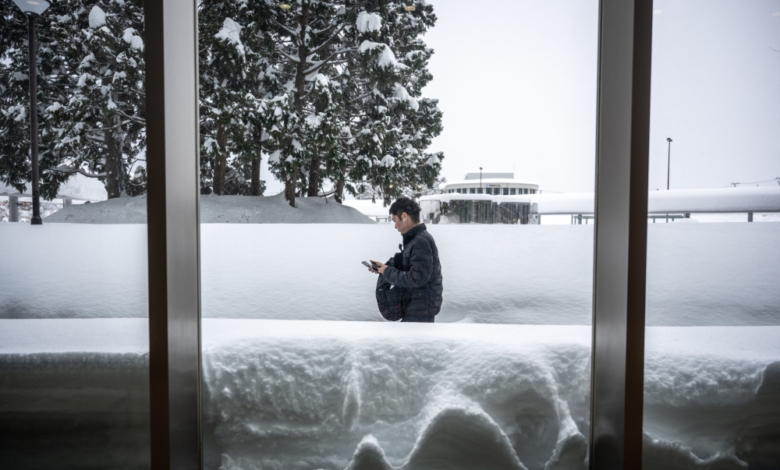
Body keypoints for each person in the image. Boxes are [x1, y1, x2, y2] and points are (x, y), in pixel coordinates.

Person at [369, 197, 443, 322]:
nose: (395, 226)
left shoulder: (420, 241)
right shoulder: (415, 239)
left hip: (420, 311)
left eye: (395, 220)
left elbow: (417, 279)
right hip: (417, 308)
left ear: (404, 217)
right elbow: (410, 265)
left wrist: (388, 272)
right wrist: (384, 268)